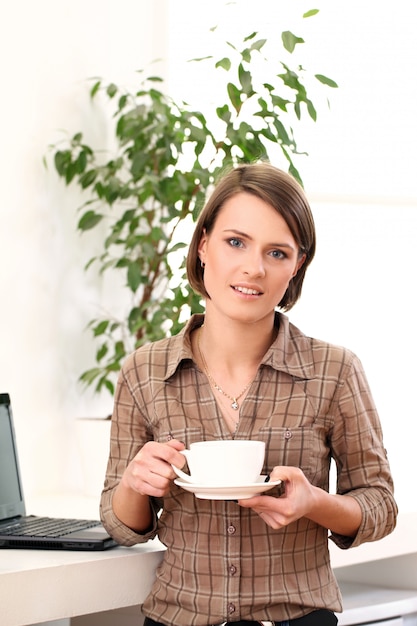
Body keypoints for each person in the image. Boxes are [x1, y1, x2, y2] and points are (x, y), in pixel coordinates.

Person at [100, 162, 397, 626]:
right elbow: (121, 524)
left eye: (277, 253)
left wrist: (315, 504)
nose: (253, 268)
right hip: (178, 618)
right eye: (235, 242)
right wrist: (136, 483)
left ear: (297, 265)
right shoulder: (144, 371)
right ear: (203, 246)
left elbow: (380, 504)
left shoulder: (335, 370)